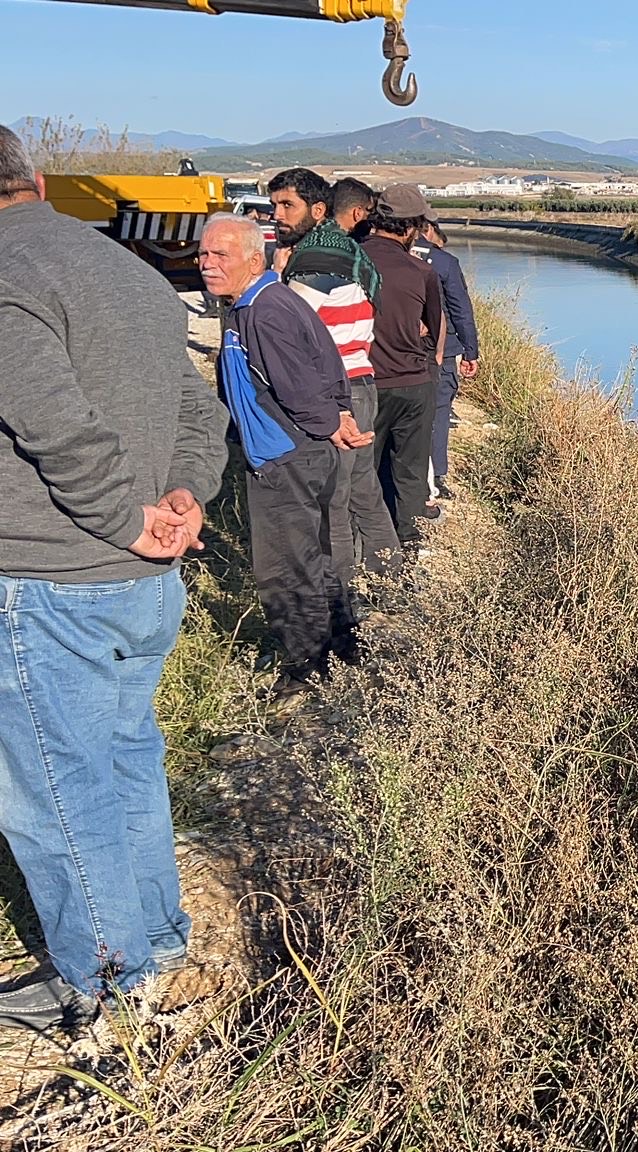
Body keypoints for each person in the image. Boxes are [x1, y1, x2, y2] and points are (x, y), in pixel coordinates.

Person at [0, 125, 228, 1032]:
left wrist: (128, 518)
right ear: (39, 180)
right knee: (125, 758)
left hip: (47, 577)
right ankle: (155, 937)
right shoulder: (123, 268)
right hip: (140, 581)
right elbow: (191, 407)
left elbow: (55, 425)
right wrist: (186, 498)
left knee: (53, 787)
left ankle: (105, 980)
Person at [198, 213, 355, 695]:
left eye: (219, 255)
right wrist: (335, 419)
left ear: (253, 258)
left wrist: (330, 422)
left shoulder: (265, 310)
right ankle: (342, 644)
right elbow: (327, 366)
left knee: (285, 566)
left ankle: (306, 664)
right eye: (202, 253)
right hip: (298, 452)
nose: (206, 264)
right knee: (313, 553)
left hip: (288, 456)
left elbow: (302, 384)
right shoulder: (258, 303)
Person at [267, 167, 397, 580]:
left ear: (318, 209)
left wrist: (273, 276)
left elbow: (282, 326)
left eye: (287, 205)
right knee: (363, 492)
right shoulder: (349, 253)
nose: (277, 214)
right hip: (362, 381)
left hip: (334, 391)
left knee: (332, 503)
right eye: (274, 205)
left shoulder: (315, 259)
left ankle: (339, 600)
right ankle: (390, 582)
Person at [357, 184, 443, 550]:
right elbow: (434, 331)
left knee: (365, 469)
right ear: (410, 228)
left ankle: (368, 546)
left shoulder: (353, 261)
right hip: (413, 382)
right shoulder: (422, 271)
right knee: (409, 470)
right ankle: (407, 543)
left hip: (365, 383)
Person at [413, 216, 477, 501]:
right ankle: (437, 477)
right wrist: (470, 351)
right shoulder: (444, 263)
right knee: (439, 414)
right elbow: (461, 310)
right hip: (444, 350)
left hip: (397, 351)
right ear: (427, 229)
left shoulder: (382, 256)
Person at [329, 177, 376, 241]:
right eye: (369, 211)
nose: (369, 218)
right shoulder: (352, 248)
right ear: (358, 213)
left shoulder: (314, 237)